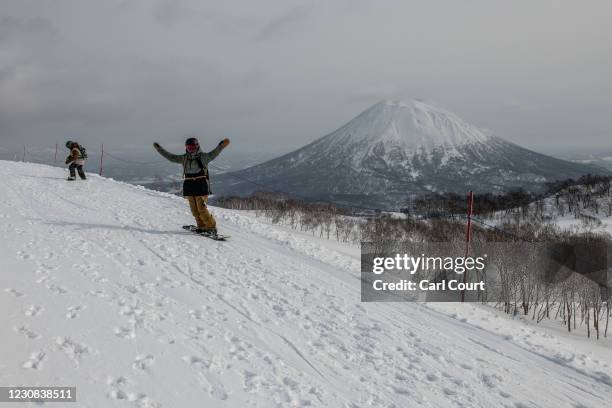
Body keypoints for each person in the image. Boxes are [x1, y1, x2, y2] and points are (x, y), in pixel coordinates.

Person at [153, 137, 230, 235]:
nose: (191, 149)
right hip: (189, 185)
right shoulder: (184, 158)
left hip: (201, 184)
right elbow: (171, 157)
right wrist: (159, 149)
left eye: (192, 147)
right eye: (189, 147)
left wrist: (221, 146)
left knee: (201, 208)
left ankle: (211, 227)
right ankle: (201, 226)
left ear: (197, 146)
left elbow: (214, 153)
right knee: (194, 209)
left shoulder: (204, 157)